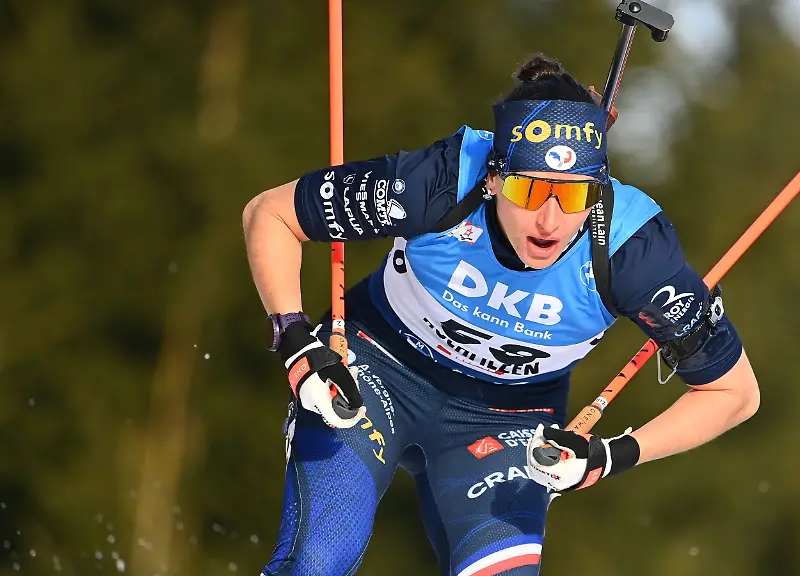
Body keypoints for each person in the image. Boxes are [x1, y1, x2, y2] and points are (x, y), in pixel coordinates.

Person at [242, 53, 760, 576]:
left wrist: (609, 455)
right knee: (315, 562)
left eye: (575, 193)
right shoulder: (446, 179)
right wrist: (297, 343)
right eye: (529, 189)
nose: (550, 219)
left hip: (507, 419)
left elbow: (734, 393)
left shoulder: (632, 251)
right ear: (494, 178)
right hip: (375, 370)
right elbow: (272, 214)